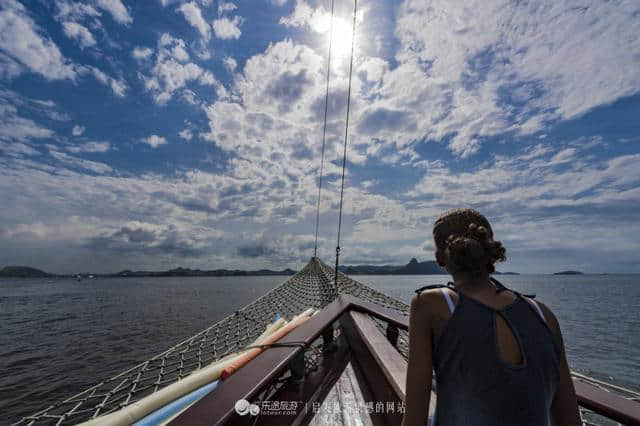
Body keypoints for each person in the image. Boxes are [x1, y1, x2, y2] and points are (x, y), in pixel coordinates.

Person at [402, 208, 582, 426]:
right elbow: (570, 420)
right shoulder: (543, 314)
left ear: (440, 259)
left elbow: (414, 419)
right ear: (489, 252)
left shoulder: (429, 305)